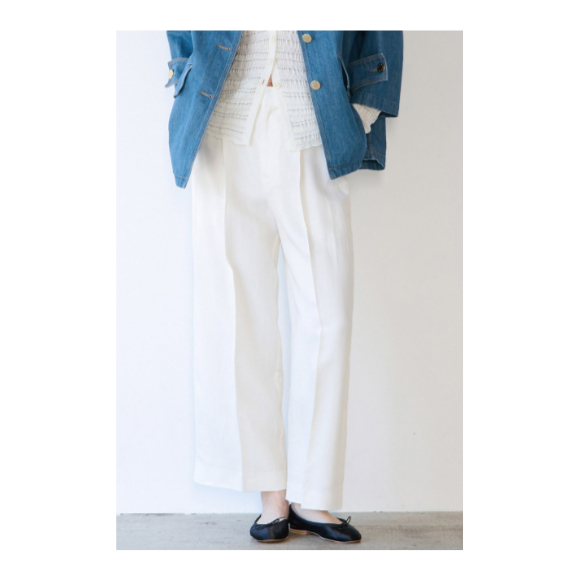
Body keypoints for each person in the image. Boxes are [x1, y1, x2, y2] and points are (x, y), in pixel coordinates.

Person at [165, 30, 403, 544]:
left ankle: (312, 493)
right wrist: (185, 68)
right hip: (223, 117)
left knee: (327, 315)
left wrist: (360, 111)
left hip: (316, 118)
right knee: (235, 315)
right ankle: (270, 493)